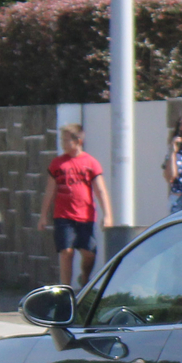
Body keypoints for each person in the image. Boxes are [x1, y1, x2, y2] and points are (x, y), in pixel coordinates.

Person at [47, 122, 113, 289]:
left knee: (89, 253)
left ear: (78, 141)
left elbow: (100, 190)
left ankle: (84, 277)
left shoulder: (91, 163)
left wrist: (108, 215)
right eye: (62, 140)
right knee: (66, 252)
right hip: (63, 215)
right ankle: (65, 290)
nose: (63, 143)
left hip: (85, 216)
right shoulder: (57, 163)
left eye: (66, 140)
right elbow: (50, 190)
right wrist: (43, 215)